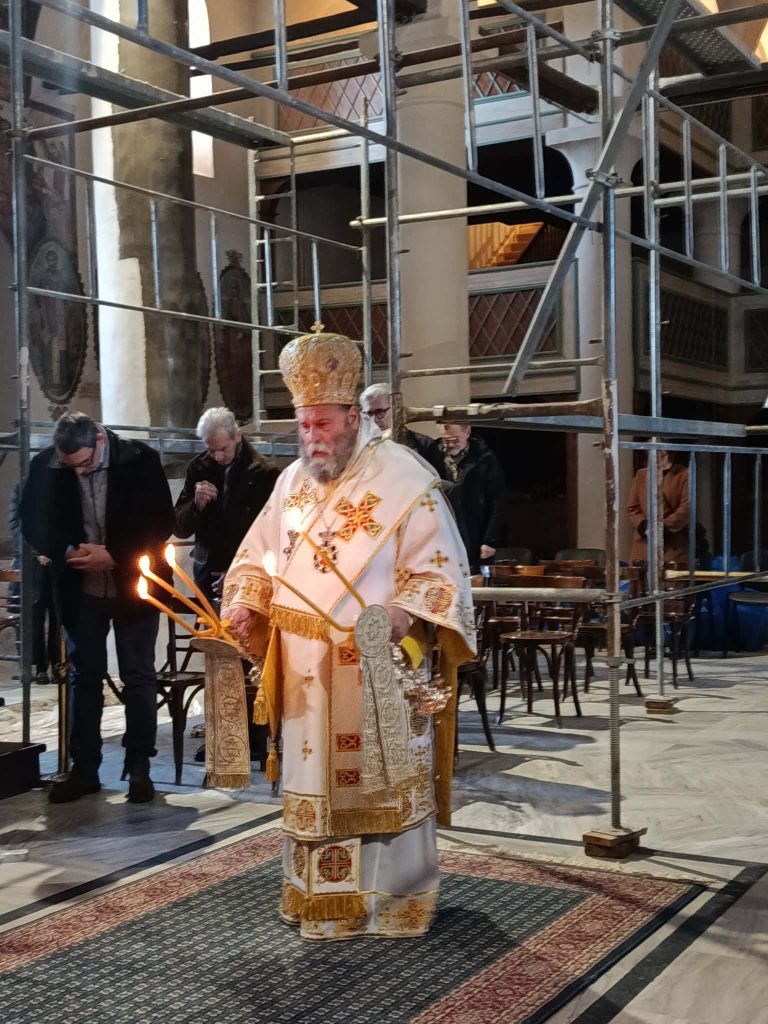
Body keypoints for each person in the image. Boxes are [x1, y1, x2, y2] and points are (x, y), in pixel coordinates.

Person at [222, 327, 475, 941]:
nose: (313, 437)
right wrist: (247, 602)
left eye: (324, 424)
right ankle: (321, 899)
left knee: (383, 785)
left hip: (377, 662)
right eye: (304, 425)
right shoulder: (291, 482)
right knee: (313, 781)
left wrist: (404, 614)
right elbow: (256, 557)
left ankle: (394, 900)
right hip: (306, 670)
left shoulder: (402, 478)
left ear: (354, 418)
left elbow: (442, 570)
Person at [20, 412, 175, 804]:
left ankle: (139, 767)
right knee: (84, 677)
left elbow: (160, 522)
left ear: (100, 442)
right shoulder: (48, 465)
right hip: (80, 589)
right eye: (70, 466)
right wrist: (66, 551)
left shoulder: (139, 459)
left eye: (85, 463)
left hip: (134, 585)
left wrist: (114, 556)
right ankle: (84, 769)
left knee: (138, 675)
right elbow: (32, 520)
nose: (79, 472)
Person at [174, 407, 279, 603]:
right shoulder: (198, 468)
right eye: (211, 450)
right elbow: (179, 529)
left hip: (248, 576)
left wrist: (236, 571)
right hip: (206, 574)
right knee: (208, 623)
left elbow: (270, 535)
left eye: (223, 449)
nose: (218, 457)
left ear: (237, 436)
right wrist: (195, 506)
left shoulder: (264, 473)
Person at [428, 423, 505, 566]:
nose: (450, 445)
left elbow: (496, 501)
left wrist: (489, 540)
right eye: (445, 440)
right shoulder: (433, 454)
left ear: (467, 431)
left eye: (455, 440)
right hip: (442, 530)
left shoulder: (484, 458)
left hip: (474, 531)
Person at [627, 450, 690, 565]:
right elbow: (633, 508)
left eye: (664, 456)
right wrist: (644, 525)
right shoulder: (641, 475)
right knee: (642, 573)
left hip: (673, 544)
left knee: (671, 574)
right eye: (658, 456)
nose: (664, 460)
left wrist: (662, 527)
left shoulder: (684, 474)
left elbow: (686, 508)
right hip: (644, 544)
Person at [359, 382, 434, 460]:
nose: (374, 420)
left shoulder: (425, 446)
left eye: (379, 412)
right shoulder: (360, 448)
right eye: (369, 413)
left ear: (396, 409)